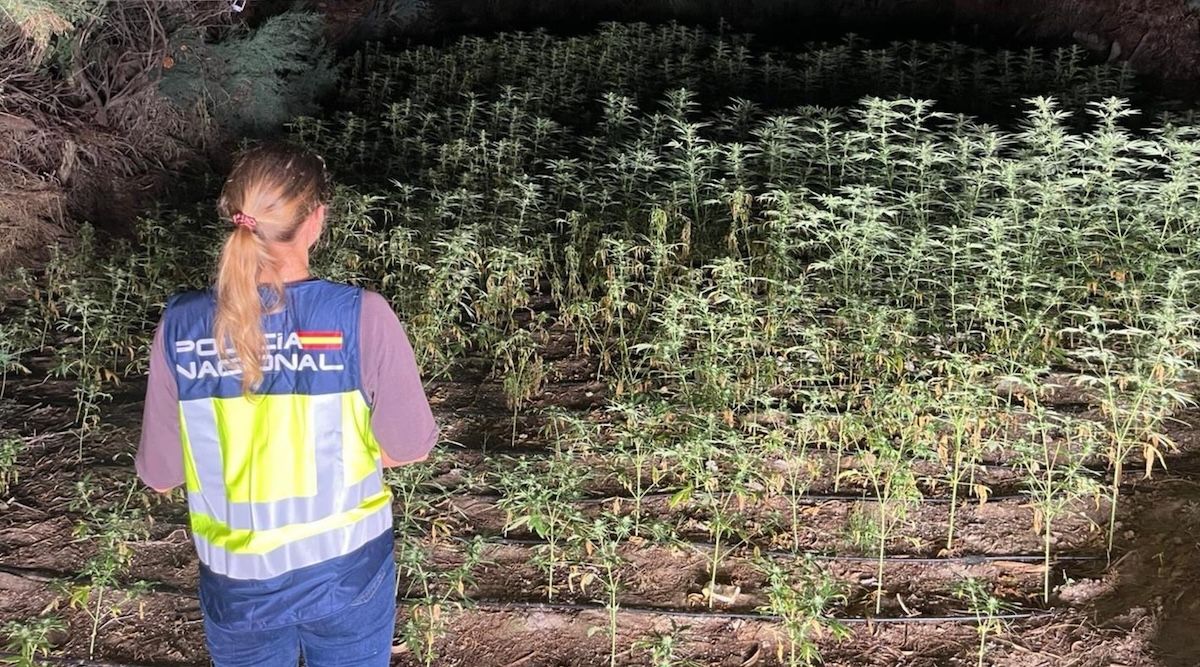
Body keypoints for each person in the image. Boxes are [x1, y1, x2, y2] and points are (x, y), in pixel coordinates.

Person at [135, 143, 437, 666]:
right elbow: (408, 448)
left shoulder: (181, 324)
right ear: (315, 220)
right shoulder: (360, 316)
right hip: (348, 580)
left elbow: (162, 476)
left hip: (237, 593)